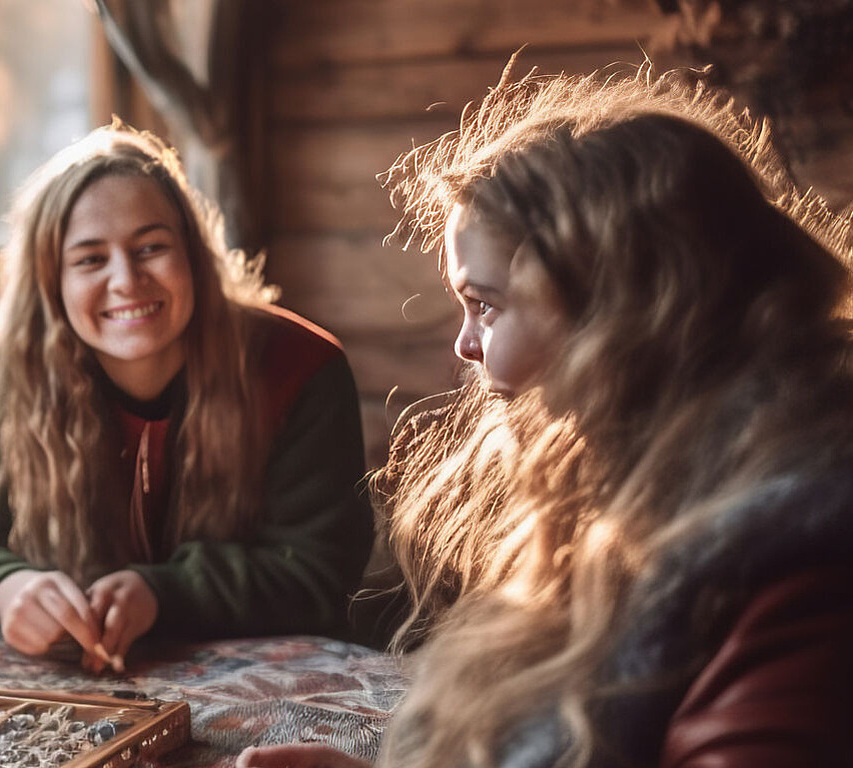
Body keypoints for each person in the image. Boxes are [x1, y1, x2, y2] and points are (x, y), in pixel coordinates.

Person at [240, 65, 853, 768]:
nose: (465, 345)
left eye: (489, 305)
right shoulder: (640, 493)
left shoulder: (803, 555)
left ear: (618, 313)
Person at [0, 124, 374, 673]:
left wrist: (163, 593)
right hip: (77, 688)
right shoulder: (16, 369)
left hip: (276, 686)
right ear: (50, 283)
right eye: (89, 259)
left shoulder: (300, 365)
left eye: (151, 247)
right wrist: (6, 587)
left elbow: (321, 572)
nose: (126, 280)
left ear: (195, 255)